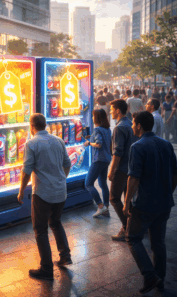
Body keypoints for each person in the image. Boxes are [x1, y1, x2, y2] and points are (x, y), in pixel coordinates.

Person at [124, 111, 177, 293]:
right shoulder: (166, 144)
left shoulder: (137, 147)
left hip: (144, 203)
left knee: (132, 238)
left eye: (133, 123)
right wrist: (168, 193)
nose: (132, 126)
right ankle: (159, 279)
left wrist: (126, 202)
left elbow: (133, 178)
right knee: (158, 242)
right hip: (164, 203)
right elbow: (175, 174)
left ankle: (150, 276)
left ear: (139, 125)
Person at [17, 113, 72, 280]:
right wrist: (61, 179)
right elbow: (68, 164)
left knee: (40, 230)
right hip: (60, 191)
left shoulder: (31, 144)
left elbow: (26, 171)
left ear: (31, 127)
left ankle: (46, 268)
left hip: (42, 193)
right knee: (56, 222)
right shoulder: (58, 140)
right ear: (45, 125)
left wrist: (21, 191)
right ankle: (65, 256)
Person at [108, 99, 136, 241]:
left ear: (118, 110)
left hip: (121, 169)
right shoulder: (131, 124)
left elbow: (117, 152)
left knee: (114, 198)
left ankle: (126, 227)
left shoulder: (119, 128)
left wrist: (112, 171)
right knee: (128, 200)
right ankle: (132, 227)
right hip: (131, 168)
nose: (110, 111)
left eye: (112, 109)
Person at [84, 109, 112, 217]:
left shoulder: (97, 129)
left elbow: (99, 144)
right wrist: (91, 137)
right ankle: (106, 208)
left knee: (88, 183)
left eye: (93, 116)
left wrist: (89, 143)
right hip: (106, 159)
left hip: (98, 159)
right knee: (103, 184)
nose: (92, 118)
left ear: (96, 118)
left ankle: (100, 206)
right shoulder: (107, 129)